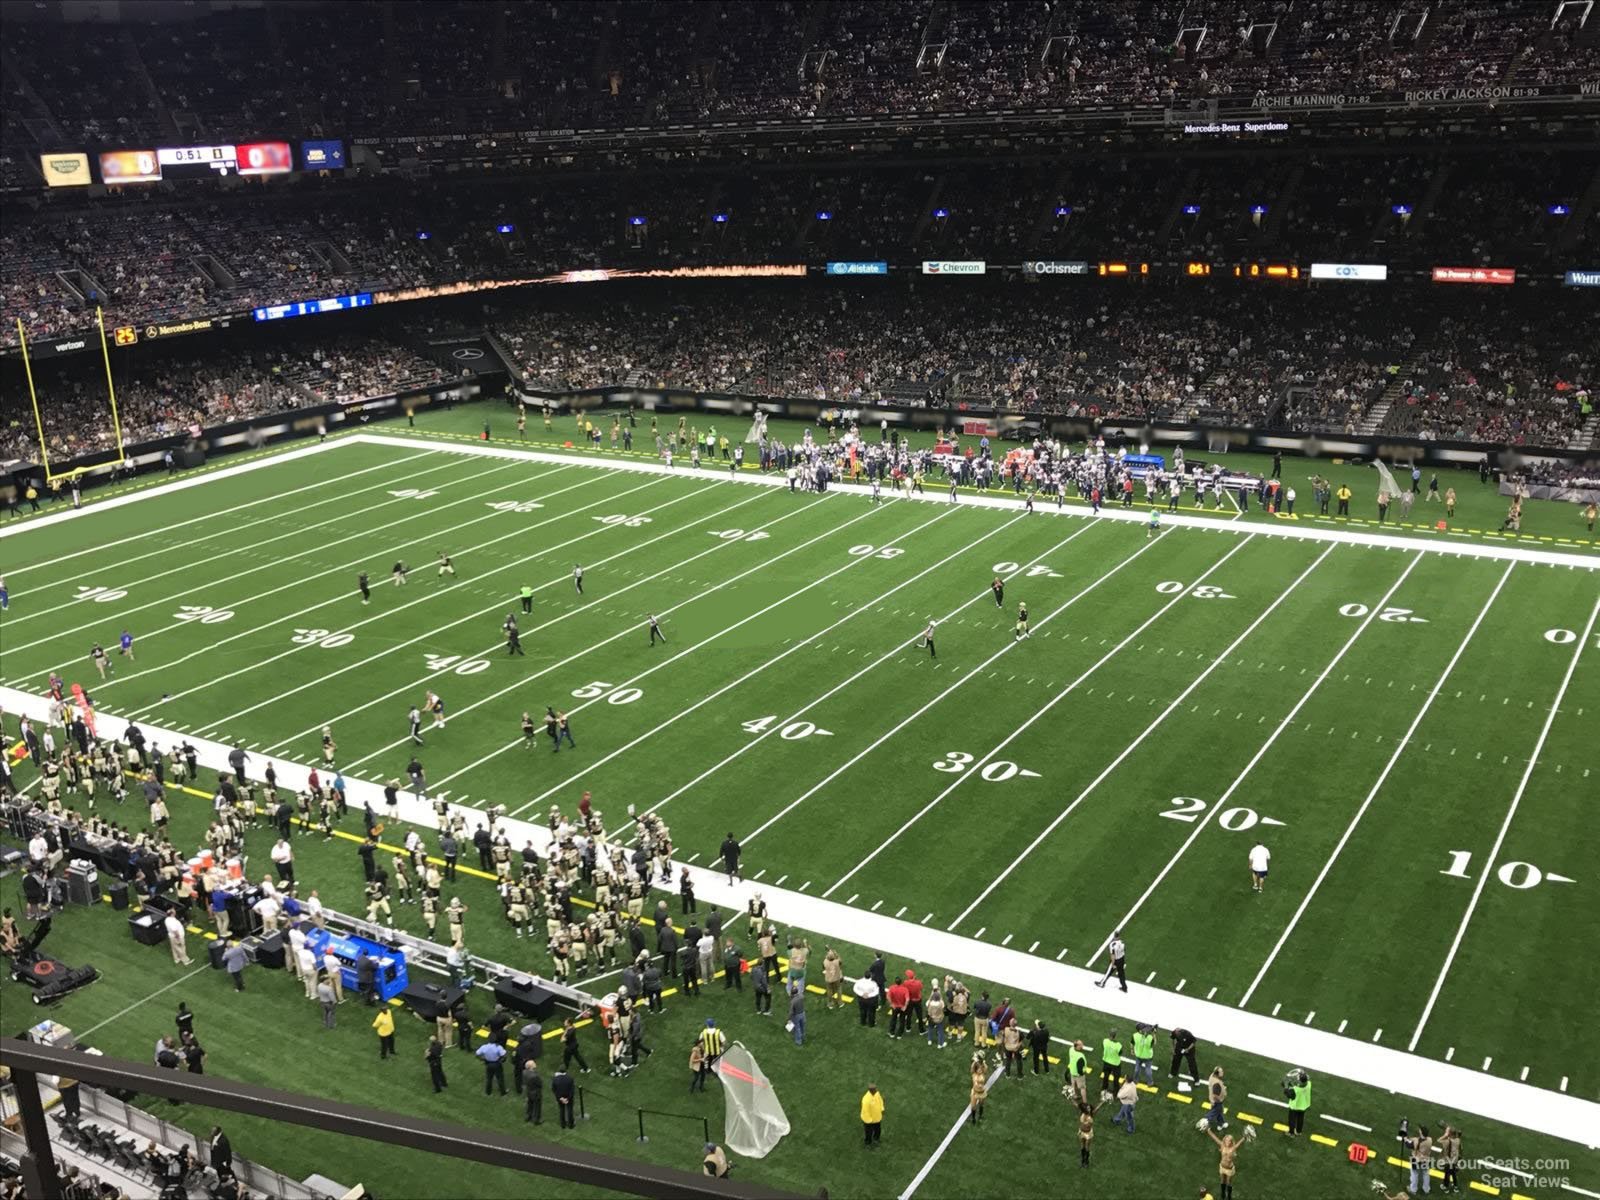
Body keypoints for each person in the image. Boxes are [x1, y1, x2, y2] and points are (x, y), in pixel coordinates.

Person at [860, 1084, 884, 1149]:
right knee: (868, 1132)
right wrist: (869, 1121)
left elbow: (880, 1100)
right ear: (871, 1090)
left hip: (877, 1117)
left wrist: (882, 1108)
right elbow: (865, 1111)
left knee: (878, 1130)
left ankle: (876, 1138)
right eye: (874, 1089)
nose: (876, 1090)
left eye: (876, 1088)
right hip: (869, 1121)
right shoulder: (866, 1100)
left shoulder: (877, 1094)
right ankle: (868, 1143)